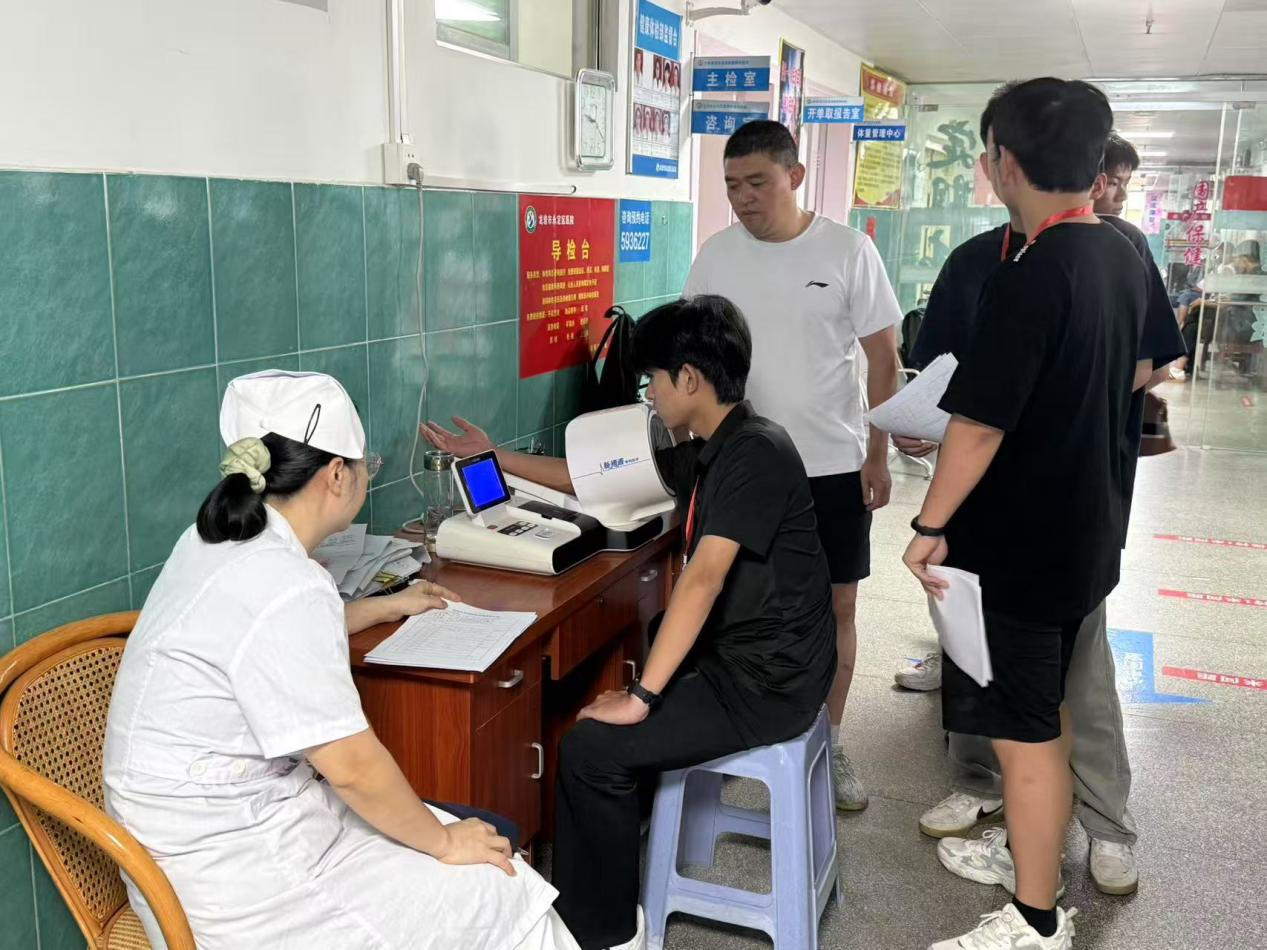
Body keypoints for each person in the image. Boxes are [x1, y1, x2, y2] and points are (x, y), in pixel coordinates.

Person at [103, 370, 578, 950]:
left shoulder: (217, 540)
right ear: (335, 475)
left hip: (195, 840)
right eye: (365, 466)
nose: (365, 476)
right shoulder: (284, 582)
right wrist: (443, 843)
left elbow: (260, 637)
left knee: (480, 866)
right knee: (497, 885)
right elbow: (353, 767)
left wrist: (384, 606)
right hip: (235, 878)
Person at [422, 296, 837, 950]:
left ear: (689, 379)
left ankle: (605, 935)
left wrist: (641, 696)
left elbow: (703, 578)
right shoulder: (722, 444)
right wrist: (492, 455)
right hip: (762, 660)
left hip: (766, 683)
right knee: (642, 652)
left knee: (589, 749)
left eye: (653, 379)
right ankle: (626, 830)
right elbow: (593, 482)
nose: (649, 393)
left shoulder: (752, 455)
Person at [902, 78, 1151, 950]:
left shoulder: (1028, 272)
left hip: (1018, 545)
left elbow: (977, 426)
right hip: (1086, 531)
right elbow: (1127, 373)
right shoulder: (1118, 253)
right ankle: (1027, 855)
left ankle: (1033, 918)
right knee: (1049, 713)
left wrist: (927, 526)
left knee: (1024, 738)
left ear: (1002, 162)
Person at [683, 119, 903, 811]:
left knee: (837, 604)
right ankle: (732, 734)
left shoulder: (847, 250)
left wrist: (877, 453)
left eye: (758, 182)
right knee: (731, 604)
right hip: (741, 465)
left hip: (831, 463)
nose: (743, 198)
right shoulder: (715, 257)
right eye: (731, 186)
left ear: (795, 177)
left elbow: (883, 360)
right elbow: (693, 363)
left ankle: (828, 743)